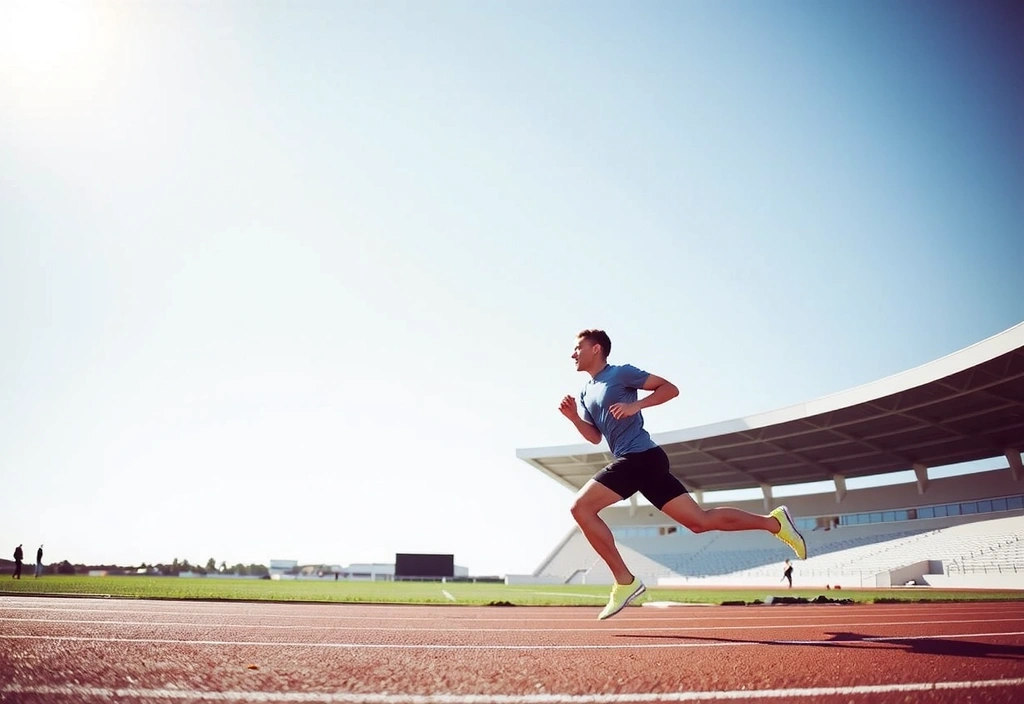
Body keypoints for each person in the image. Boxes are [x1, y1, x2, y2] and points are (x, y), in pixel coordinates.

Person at [560, 329, 807, 620]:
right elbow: (594, 437)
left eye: (578, 348)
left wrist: (635, 405)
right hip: (643, 463)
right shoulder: (586, 391)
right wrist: (575, 418)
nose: (572, 354)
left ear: (596, 349)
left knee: (581, 508)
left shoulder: (621, 373)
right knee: (699, 522)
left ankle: (625, 582)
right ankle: (774, 523)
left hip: (639, 457)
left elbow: (669, 388)